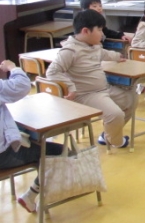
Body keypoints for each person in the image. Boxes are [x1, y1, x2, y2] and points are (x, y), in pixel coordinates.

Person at [46, 10, 136, 149]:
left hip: (103, 90)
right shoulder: (70, 51)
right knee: (115, 114)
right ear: (85, 31)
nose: (102, 34)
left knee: (131, 98)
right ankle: (116, 141)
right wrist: (70, 86)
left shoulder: (93, 45)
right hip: (86, 95)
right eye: (99, 30)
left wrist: (117, 57)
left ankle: (108, 135)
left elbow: (103, 53)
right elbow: (52, 72)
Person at [0, 59, 64, 213]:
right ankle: (31, 195)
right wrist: (12, 67)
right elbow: (22, 85)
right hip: (3, 156)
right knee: (61, 152)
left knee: (29, 138)